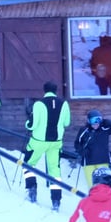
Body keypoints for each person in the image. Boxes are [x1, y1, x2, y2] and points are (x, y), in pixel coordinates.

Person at [23, 81, 71, 210]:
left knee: (28, 163)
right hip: (56, 142)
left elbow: (32, 125)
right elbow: (66, 123)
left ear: (44, 91)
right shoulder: (64, 104)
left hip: (38, 141)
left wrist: (27, 123)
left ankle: (31, 189)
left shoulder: (39, 104)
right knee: (54, 170)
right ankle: (56, 200)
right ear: (56, 91)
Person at [74, 109, 111, 187]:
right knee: (92, 186)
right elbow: (77, 143)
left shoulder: (104, 129)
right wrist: (81, 151)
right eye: (93, 121)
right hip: (88, 162)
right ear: (89, 121)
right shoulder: (84, 130)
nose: (96, 124)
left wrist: (104, 121)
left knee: (104, 185)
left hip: (102, 161)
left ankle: (105, 199)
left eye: (98, 120)